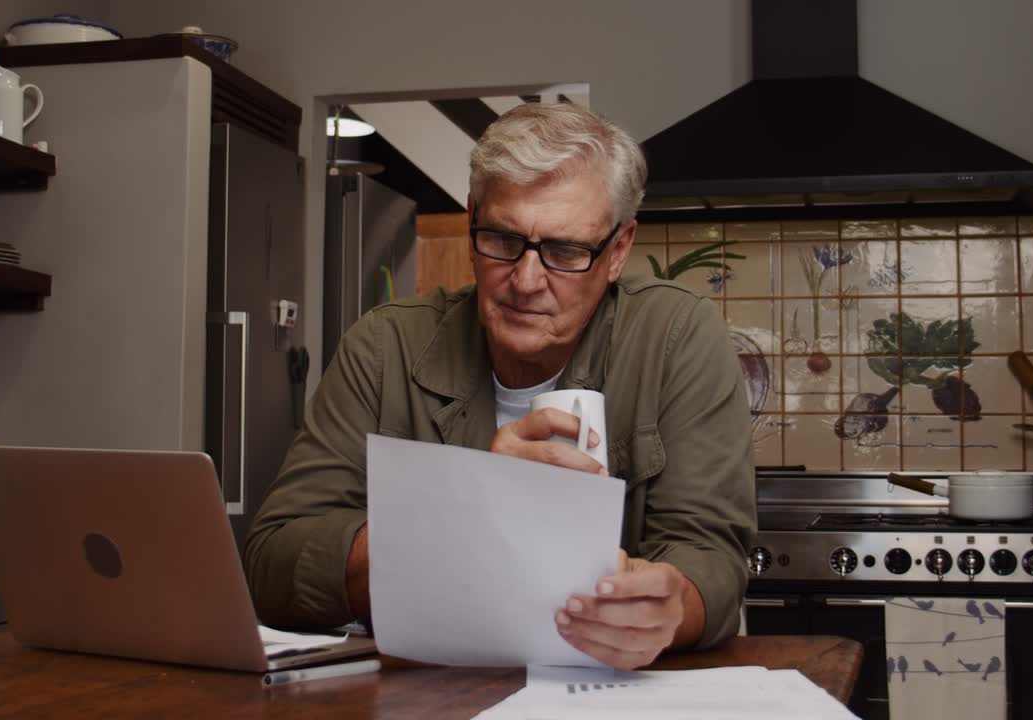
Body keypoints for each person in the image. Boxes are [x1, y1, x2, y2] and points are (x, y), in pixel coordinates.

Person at [244, 103, 756, 670]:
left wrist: (665, 608)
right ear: (471, 224)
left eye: (565, 251)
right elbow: (273, 562)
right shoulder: (385, 346)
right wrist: (465, 513)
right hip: (428, 697)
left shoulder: (676, 337)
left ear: (618, 251)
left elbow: (711, 561)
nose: (526, 281)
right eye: (503, 239)